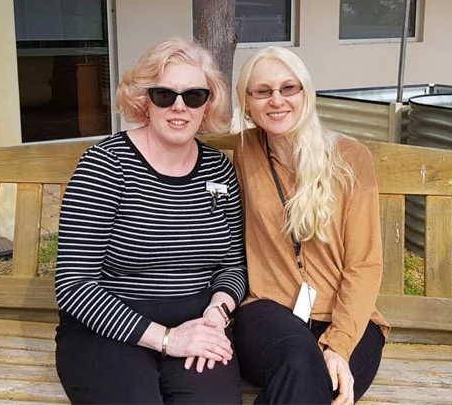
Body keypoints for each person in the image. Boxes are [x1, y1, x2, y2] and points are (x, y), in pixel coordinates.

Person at [55, 37, 247, 404]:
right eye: (164, 95)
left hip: (197, 324)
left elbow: (232, 265)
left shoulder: (218, 169)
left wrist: (216, 313)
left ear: (208, 104)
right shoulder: (105, 165)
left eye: (193, 96)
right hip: (108, 325)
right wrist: (166, 338)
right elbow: (74, 285)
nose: (179, 107)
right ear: (145, 99)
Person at [232, 47, 390, 405]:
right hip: (268, 311)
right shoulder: (244, 152)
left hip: (351, 318)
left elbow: (365, 264)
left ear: (307, 93)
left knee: (323, 381)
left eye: (289, 88)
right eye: (263, 91)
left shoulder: (350, 159)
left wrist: (339, 345)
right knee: (303, 364)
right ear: (247, 103)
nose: (277, 100)